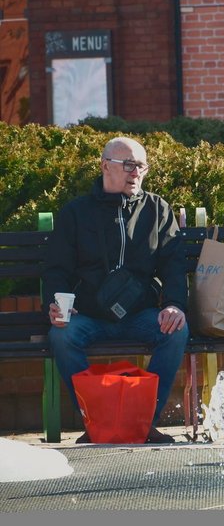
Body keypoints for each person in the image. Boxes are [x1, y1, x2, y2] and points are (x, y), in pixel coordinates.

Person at [43, 137, 188, 444]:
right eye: (129, 165)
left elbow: (174, 266)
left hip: (140, 314)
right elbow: (56, 268)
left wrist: (174, 304)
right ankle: (97, 423)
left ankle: (143, 423)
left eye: (142, 166)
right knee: (62, 336)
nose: (136, 173)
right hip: (89, 315)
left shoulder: (157, 209)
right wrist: (56, 304)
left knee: (176, 330)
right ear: (105, 166)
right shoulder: (76, 213)